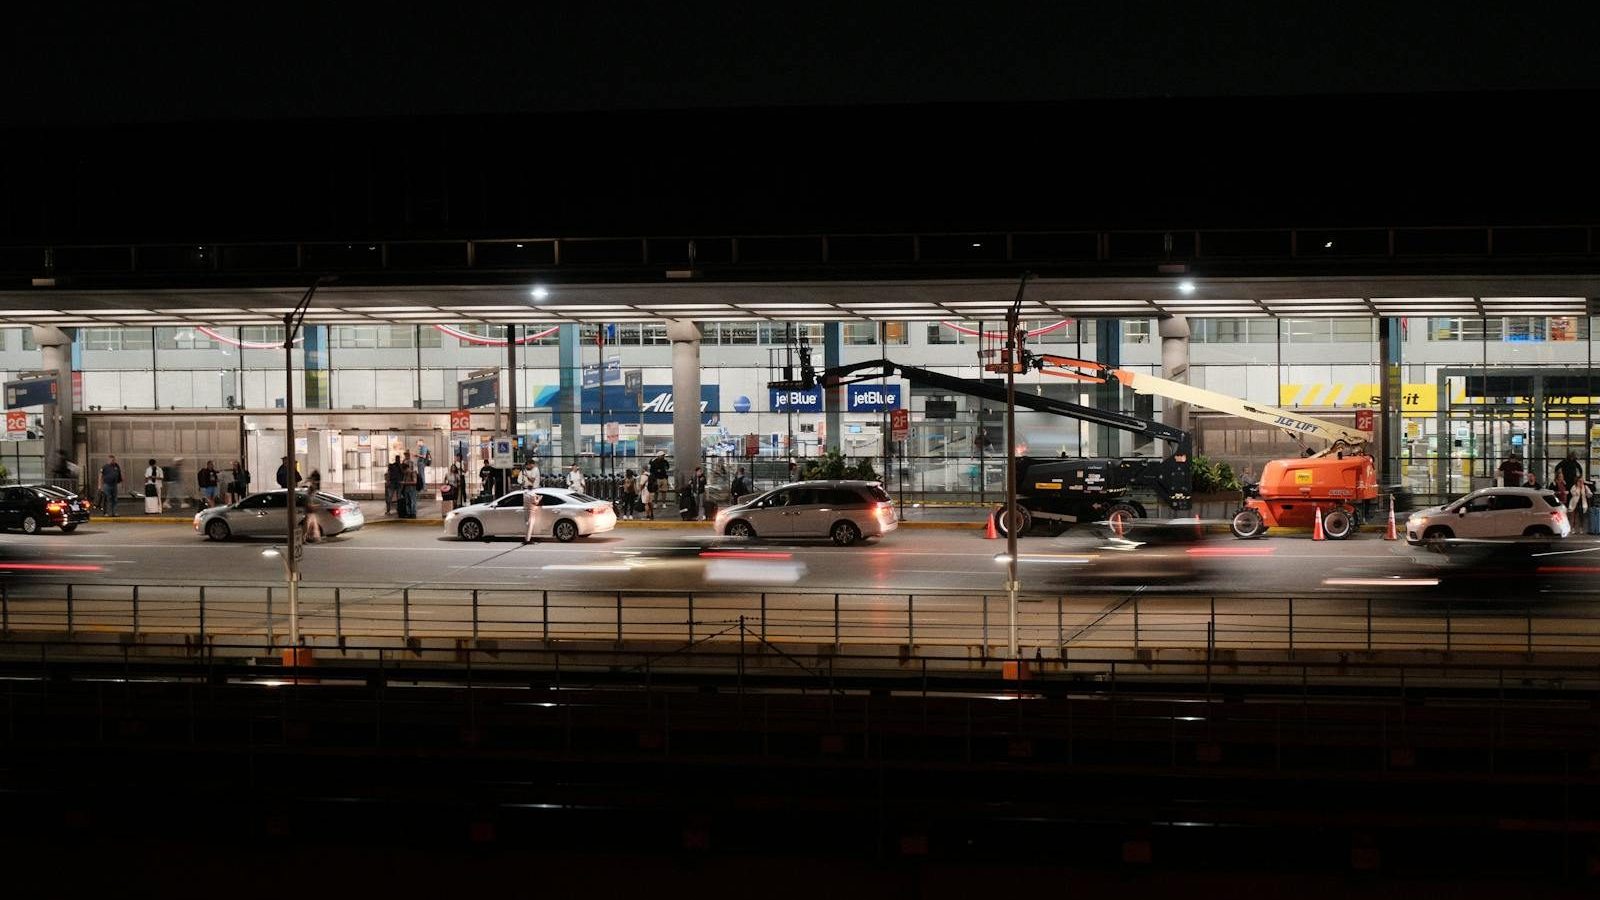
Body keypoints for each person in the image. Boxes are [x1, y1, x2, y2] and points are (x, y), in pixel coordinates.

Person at [303, 469, 324, 543]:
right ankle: (306, 538)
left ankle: (316, 538)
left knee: (313, 525)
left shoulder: (310, 494)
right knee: (308, 526)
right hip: (309, 512)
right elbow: (309, 505)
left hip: (311, 513)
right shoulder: (309, 495)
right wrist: (317, 506)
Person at [400, 451, 418, 518]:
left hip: (412, 489)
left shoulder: (412, 473)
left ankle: (413, 513)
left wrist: (405, 483)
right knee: (407, 501)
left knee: (412, 501)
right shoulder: (405, 474)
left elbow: (414, 482)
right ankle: (408, 513)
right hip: (407, 489)